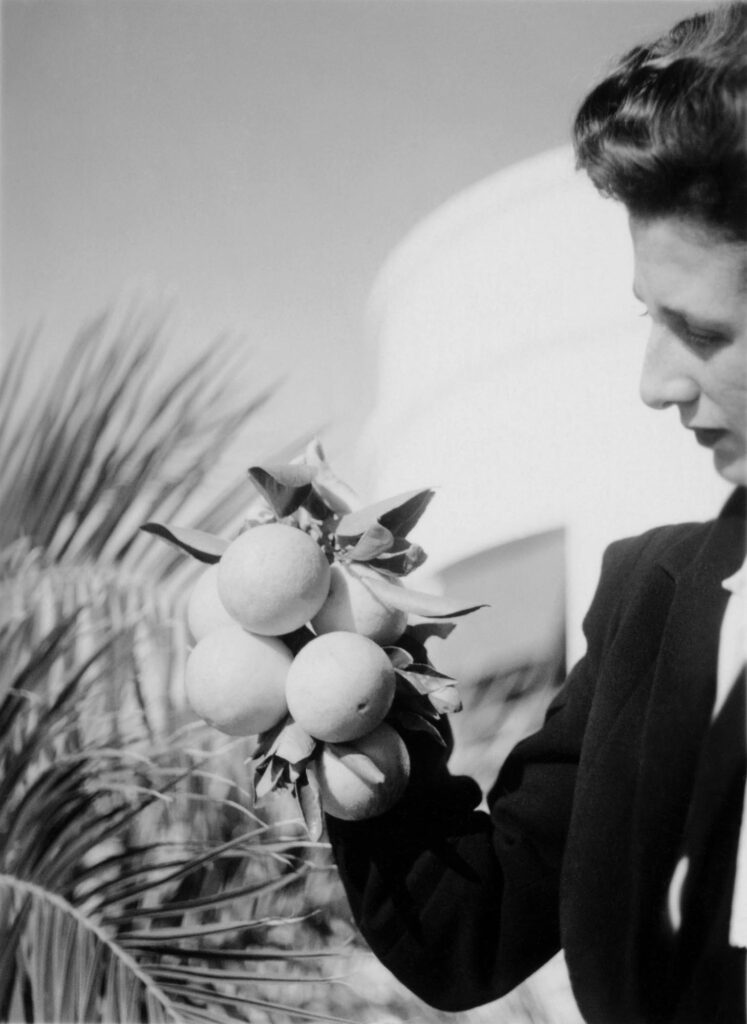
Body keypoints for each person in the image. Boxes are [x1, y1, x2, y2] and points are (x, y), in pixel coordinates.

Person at [325, 4, 747, 1022]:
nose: (655, 382)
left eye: (701, 329)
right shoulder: (653, 598)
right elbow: (470, 929)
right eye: (654, 318)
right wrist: (342, 682)